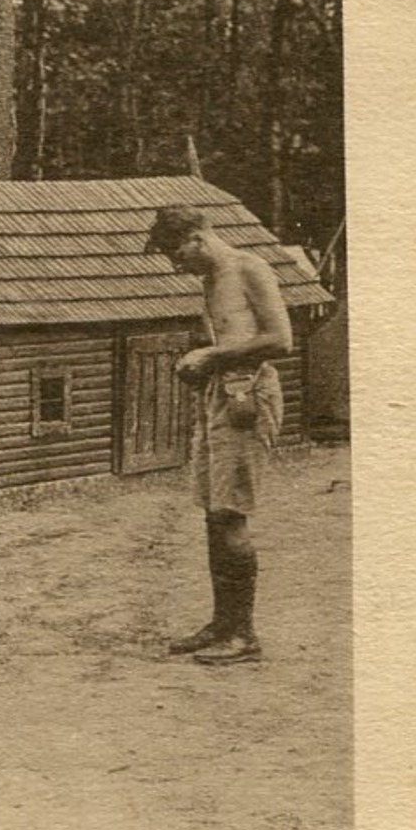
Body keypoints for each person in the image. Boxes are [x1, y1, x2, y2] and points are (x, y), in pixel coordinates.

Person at [146, 205, 293, 665]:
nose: (175, 263)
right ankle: (222, 623)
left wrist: (212, 356)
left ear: (197, 237)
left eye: (176, 253)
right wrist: (200, 359)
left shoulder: (249, 269)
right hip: (220, 396)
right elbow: (227, 343)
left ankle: (245, 635)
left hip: (249, 396)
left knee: (231, 515)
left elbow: (280, 340)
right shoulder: (209, 281)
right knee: (213, 513)